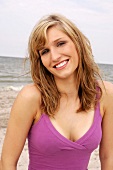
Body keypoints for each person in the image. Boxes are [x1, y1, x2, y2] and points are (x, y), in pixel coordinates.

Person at [0, 13, 113, 170]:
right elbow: (7, 163)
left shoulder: (106, 94)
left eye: (60, 43)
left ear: (77, 43)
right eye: (44, 51)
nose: (54, 56)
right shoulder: (31, 97)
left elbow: (109, 157)